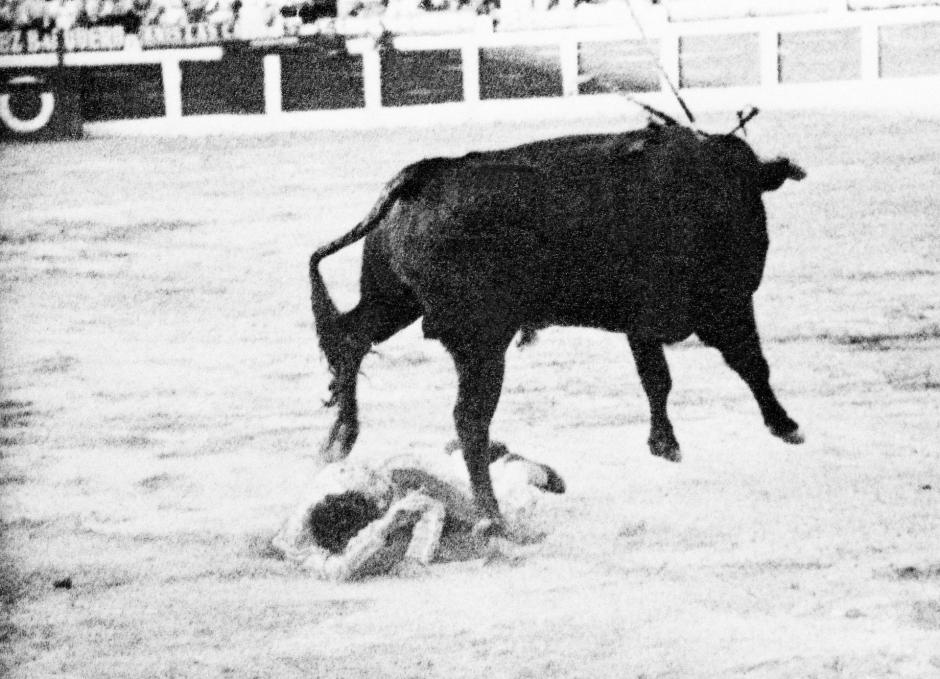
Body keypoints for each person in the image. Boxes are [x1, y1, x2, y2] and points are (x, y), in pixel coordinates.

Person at [271, 442, 565, 581]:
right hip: (386, 494)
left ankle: (518, 468)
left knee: (493, 511)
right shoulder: (300, 544)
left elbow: (427, 496)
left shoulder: (358, 482)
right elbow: (342, 568)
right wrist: (386, 526)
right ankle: (462, 453)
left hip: (403, 476)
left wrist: (414, 556)